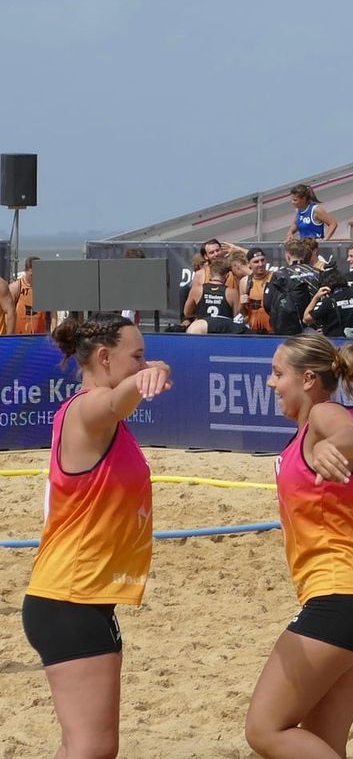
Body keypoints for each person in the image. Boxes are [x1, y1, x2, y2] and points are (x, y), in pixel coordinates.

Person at [23, 315, 171, 759]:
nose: (144, 363)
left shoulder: (105, 420)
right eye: (136, 356)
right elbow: (113, 404)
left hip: (81, 597)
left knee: (81, 746)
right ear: (104, 357)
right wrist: (146, 377)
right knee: (94, 747)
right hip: (71, 597)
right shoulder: (87, 410)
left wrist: (153, 367)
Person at [247, 335, 353, 758]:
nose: (271, 383)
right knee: (323, 745)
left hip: (338, 597)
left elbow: (350, 434)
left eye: (277, 373)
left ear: (309, 379)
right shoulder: (303, 434)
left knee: (265, 729)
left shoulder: (324, 414)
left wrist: (335, 445)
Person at [241, 248, 273, 333]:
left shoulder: (274, 278)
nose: (260, 264)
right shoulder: (245, 282)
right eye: (256, 262)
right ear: (249, 264)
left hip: (274, 331)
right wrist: (242, 304)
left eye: (262, 260)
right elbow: (243, 313)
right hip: (254, 330)